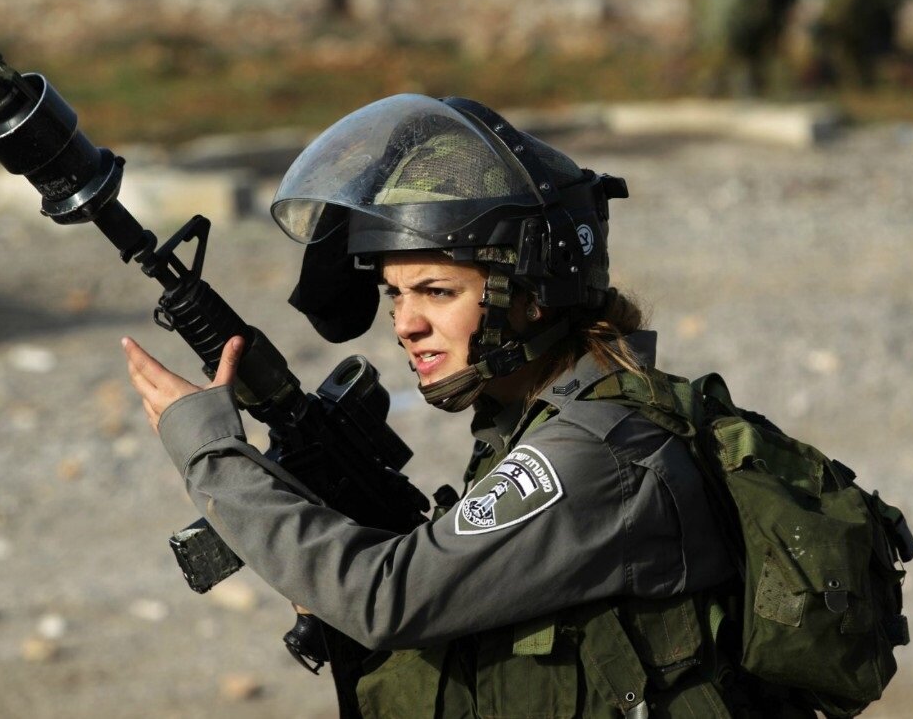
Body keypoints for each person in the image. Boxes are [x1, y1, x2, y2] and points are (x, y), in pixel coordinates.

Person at [121, 94, 748, 717]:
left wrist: (211, 454)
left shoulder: (592, 452)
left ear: (532, 297)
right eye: (394, 294)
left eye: (438, 291)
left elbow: (384, 598)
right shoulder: (536, 417)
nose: (406, 324)